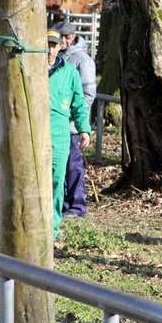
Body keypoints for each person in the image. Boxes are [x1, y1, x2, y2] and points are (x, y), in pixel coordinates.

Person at [47, 29, 91, 238]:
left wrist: (84, 129)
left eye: (53, 45)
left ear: (60, 46)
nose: (49, 49)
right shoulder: (30, 69)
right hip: (32, 132)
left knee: (57, 181)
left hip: (59, 135)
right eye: (45, 44)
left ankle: (52, 229)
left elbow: (79, 103)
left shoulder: (70, 72)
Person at [54, 21, 95, 219]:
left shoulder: (82, 60)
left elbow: (87, 93)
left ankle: (77, 205)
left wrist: (78, 121)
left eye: (59, 37)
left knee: (73, 165)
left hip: (70, 124)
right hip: (57, 123)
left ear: (69, 38)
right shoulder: (58, 56)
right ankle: (63, 203)